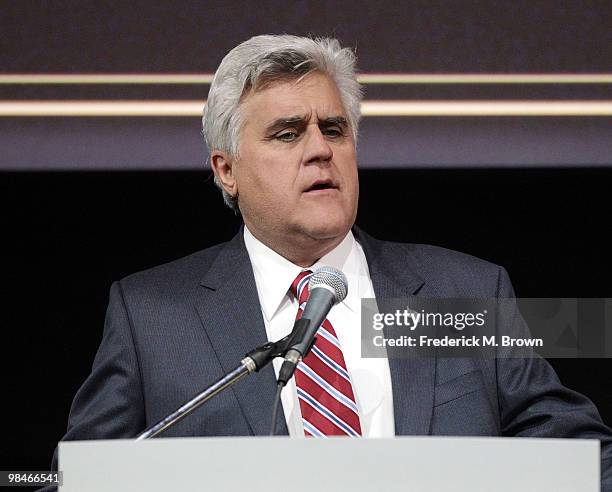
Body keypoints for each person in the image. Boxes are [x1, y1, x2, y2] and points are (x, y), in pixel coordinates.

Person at [49, 34, 612, 486]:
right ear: (226, 170)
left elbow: (582, 458)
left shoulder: (462, 291)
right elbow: (79, 478)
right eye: (287, 134)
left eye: (335, 129)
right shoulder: (151, 316)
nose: (320, 149)